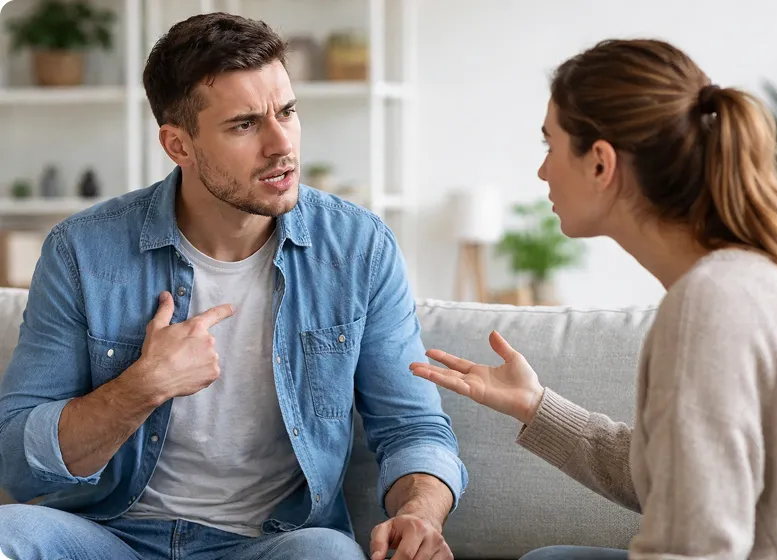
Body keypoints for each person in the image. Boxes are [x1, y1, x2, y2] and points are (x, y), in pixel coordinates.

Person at [0, 12, 466, 560]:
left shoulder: (358, 249)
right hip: (110, 536)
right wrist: (140, 388)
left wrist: (419, 513)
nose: (281, 144)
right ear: (178, 145)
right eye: (245, 124)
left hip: (272, 542)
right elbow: (16, 459)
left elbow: (412, 426)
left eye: (287, 112)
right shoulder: (82, 251)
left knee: (327, 554)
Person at [410, 38, 777, 559]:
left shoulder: (710, 306)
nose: (542, 171)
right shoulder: (746, 279)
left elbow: (692, 549)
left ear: (600, 163)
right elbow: (678, 476)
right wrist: (536, 406)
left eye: (550, 145)